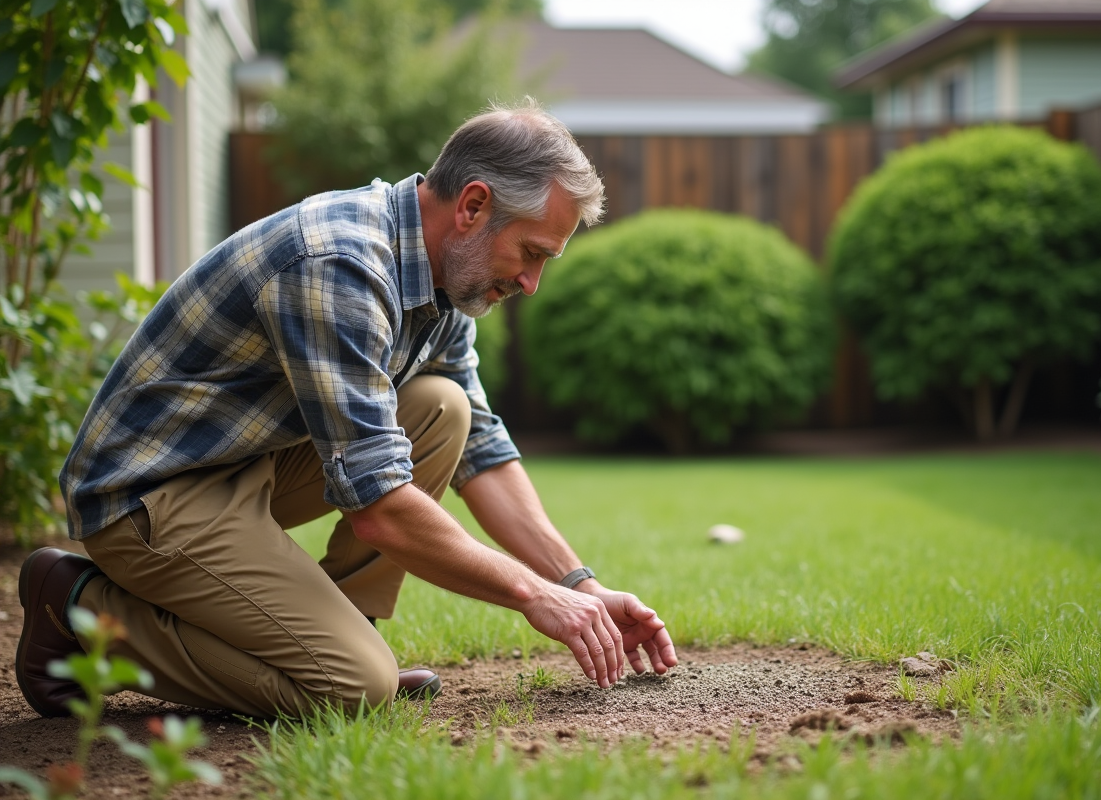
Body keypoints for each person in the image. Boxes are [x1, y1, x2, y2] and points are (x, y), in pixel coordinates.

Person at [16, 101, 677, 719]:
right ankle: (76, 608)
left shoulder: (447, 282)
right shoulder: (340, 265)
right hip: (149, 498)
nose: (531, 284)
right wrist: (536, 596)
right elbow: (381, 506)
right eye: (532, 254)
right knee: (350, 689)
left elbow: (478, 446)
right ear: (474, 205)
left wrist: (579, 584)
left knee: (440, 408)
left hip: (241, 467)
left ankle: (347, 633)